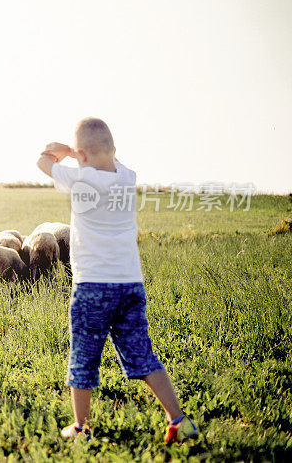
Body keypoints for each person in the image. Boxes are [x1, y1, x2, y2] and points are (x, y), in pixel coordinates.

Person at [36, 117, 199, 444]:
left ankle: (81, 428)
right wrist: (84, 151)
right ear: (113, 150)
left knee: (83, 356)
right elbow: (108, 156)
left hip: (93, 287)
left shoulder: (80, 177)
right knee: (143, 355)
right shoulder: (127, 176)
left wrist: (65, 152)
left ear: (81, 154)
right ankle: (179, 420)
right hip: (130, 285)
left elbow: (43, 160)